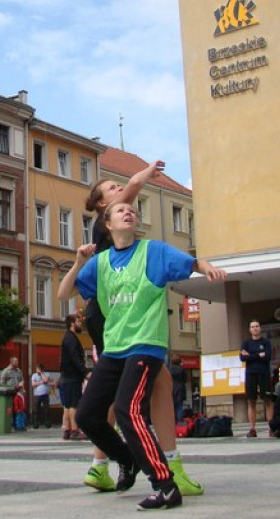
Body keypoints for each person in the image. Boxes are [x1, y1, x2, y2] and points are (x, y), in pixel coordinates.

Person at [62, 202, 228, 511]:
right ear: (108, 225)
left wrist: (207, 268)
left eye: (132, 210)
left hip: (145, 345)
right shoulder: (100, 263)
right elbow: (63, 293)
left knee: (128, 410)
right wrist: (77, 262)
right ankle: (126, 459)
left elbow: (192, 263)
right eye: (121, 210)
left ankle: (166, 486)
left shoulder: (153, 251)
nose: (129, 212)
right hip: (114, 348)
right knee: (86, 415)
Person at [76, 160, 203, 498]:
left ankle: (103, 464)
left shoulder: (114, 233)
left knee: (131, 388)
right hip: (112, 315)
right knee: (142, 388)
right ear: (104, 207)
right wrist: (145, 173)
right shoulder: (106, 226)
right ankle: (165, 466)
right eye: (113, 191)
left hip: (108, 313)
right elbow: (132, 188)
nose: (121, 194)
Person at [241, 320, 274, 438]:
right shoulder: (246, 343)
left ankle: (271, 427)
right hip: (250, 374)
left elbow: (268, 356)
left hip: (263, 373)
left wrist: (250, 356)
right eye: (252, 327)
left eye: (257, 326)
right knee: (251, 401)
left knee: (267, 400)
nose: (255, 328)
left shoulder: (266, 342)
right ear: (249, 329)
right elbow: (242, 358)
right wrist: (258, 355)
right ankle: (252, 428)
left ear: (260, 328)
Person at [59, 313, 89, 441]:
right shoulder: (71, 339)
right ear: (72, 323)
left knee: (67, 404)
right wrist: (85, 372)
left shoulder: (68, 337)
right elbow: (75, 358)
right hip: (72, 376)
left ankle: (66, 429)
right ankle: (75, 430)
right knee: (73, 404)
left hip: (67, 376)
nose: (80, 323)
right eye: (78, 321)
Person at [30, 363, 53, 428]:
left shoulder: (47, 374)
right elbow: (33, 384)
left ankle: (47, 423)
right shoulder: (34, 375)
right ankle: (36, 423)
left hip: (45, 394)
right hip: (37, 395)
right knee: (37, 410)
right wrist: (40, 382)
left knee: (46, 410)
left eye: (39, 369)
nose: (37, 370)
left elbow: (46, 380)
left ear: (42, 369)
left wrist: (41, 373)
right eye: (37, 369)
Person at [169, 354, 187, 424]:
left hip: (171, 388)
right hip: (180, 388)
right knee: (179, 406)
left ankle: (172, 421)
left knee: (172, 406)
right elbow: (185, 379)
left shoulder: (169, 369)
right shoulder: (181, 369)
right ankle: (180, 422)